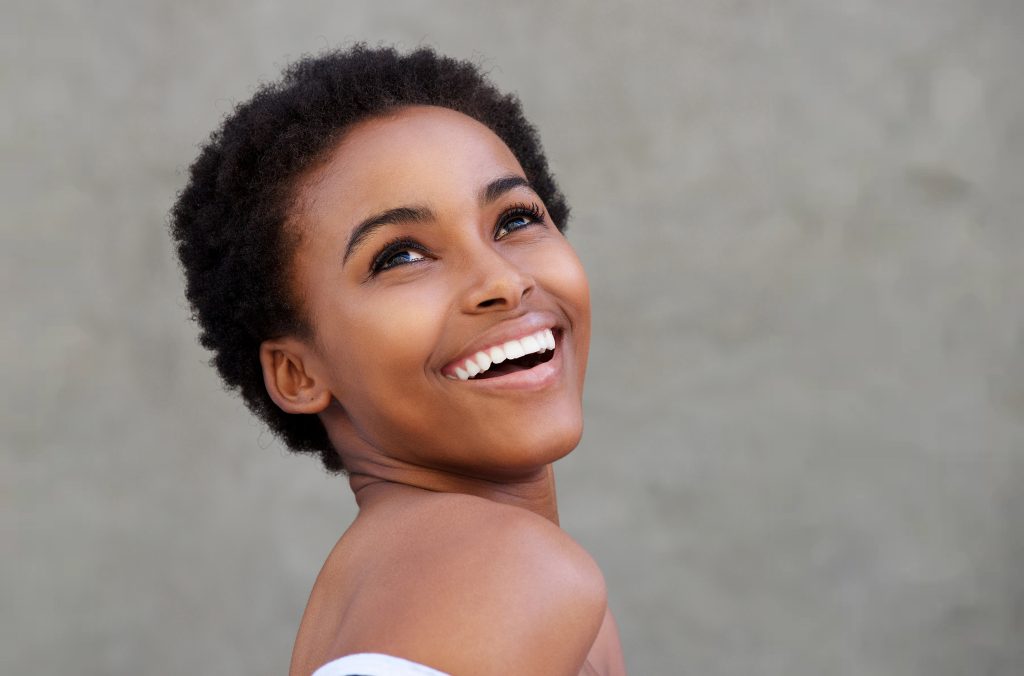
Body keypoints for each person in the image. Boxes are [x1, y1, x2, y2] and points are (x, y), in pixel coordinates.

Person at [170, 44, 626, 676]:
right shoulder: (504, 571)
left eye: (515, 219)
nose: (501, 279)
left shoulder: (405, 584)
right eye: (401, 257)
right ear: (298, 374)